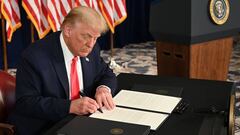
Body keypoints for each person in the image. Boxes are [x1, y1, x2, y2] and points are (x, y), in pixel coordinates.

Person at [8, 6, 117, 135]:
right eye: (86, 36)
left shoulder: (91, 48)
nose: (91, 44)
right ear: (68, 30)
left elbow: (106, 73)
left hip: (80, 122)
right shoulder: (34, 57)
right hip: (45, 126)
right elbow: (26, 103)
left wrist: (103, 88)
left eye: (95, 38)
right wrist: (69, 106)